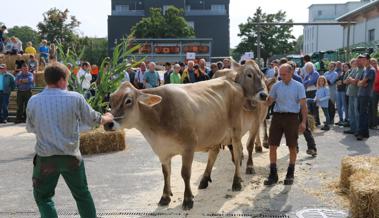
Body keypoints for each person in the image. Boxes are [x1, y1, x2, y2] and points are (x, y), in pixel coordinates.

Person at [26, 62, 114, 218]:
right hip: (71, 156)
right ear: (61, 80)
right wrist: (106, 117)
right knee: (82, 194)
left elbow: (31, 128)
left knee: (44, 197)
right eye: (66, 80)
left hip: (45, 159)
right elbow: (93, 119)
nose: (67, 83)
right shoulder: (75, 98)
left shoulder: (33, 101)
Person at [264, 63, 307, 186]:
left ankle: (290, 173)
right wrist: (263, 94)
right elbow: (269, 102)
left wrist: (303, 122)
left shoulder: (299, 86)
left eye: (284, 74)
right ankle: (273, 174)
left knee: (292, 146)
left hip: (292, 117)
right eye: (280, 74)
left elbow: (303, 106)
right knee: (272, 145)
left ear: (291, 72)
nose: (281, 77)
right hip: (277, 117)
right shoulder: (276, 86)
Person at [356, 54, 375, 140]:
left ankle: (361, 133)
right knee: (362, 113)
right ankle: (365, 132)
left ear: (368, 60)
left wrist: (362, 83)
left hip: (366, 95)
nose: (362, 61)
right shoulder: (364, 70)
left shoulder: (371, 70)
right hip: (360, 94)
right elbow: (359, 82)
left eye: (363, 60)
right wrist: (361, 83)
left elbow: (364, 82)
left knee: (363, 114)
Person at [344, 58, 364, 135]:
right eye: (355, 63)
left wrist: (351, 80)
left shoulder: (362, 70)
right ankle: (353, 129)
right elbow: (345, 81)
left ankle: (358, 130)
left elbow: (355, 82)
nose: (356, 64)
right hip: (351, 94)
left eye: (357, 62)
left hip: (357, 94)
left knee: (356, 113)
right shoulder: (354, 70)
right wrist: (351, 80)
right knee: (351, 112)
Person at [370, 58, 378, 129]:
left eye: (374, 62)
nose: (373, 64)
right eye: (372, 63)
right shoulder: (371, 71)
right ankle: (374, 123)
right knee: (373, 107)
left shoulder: (378, 70)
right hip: (374, 91)